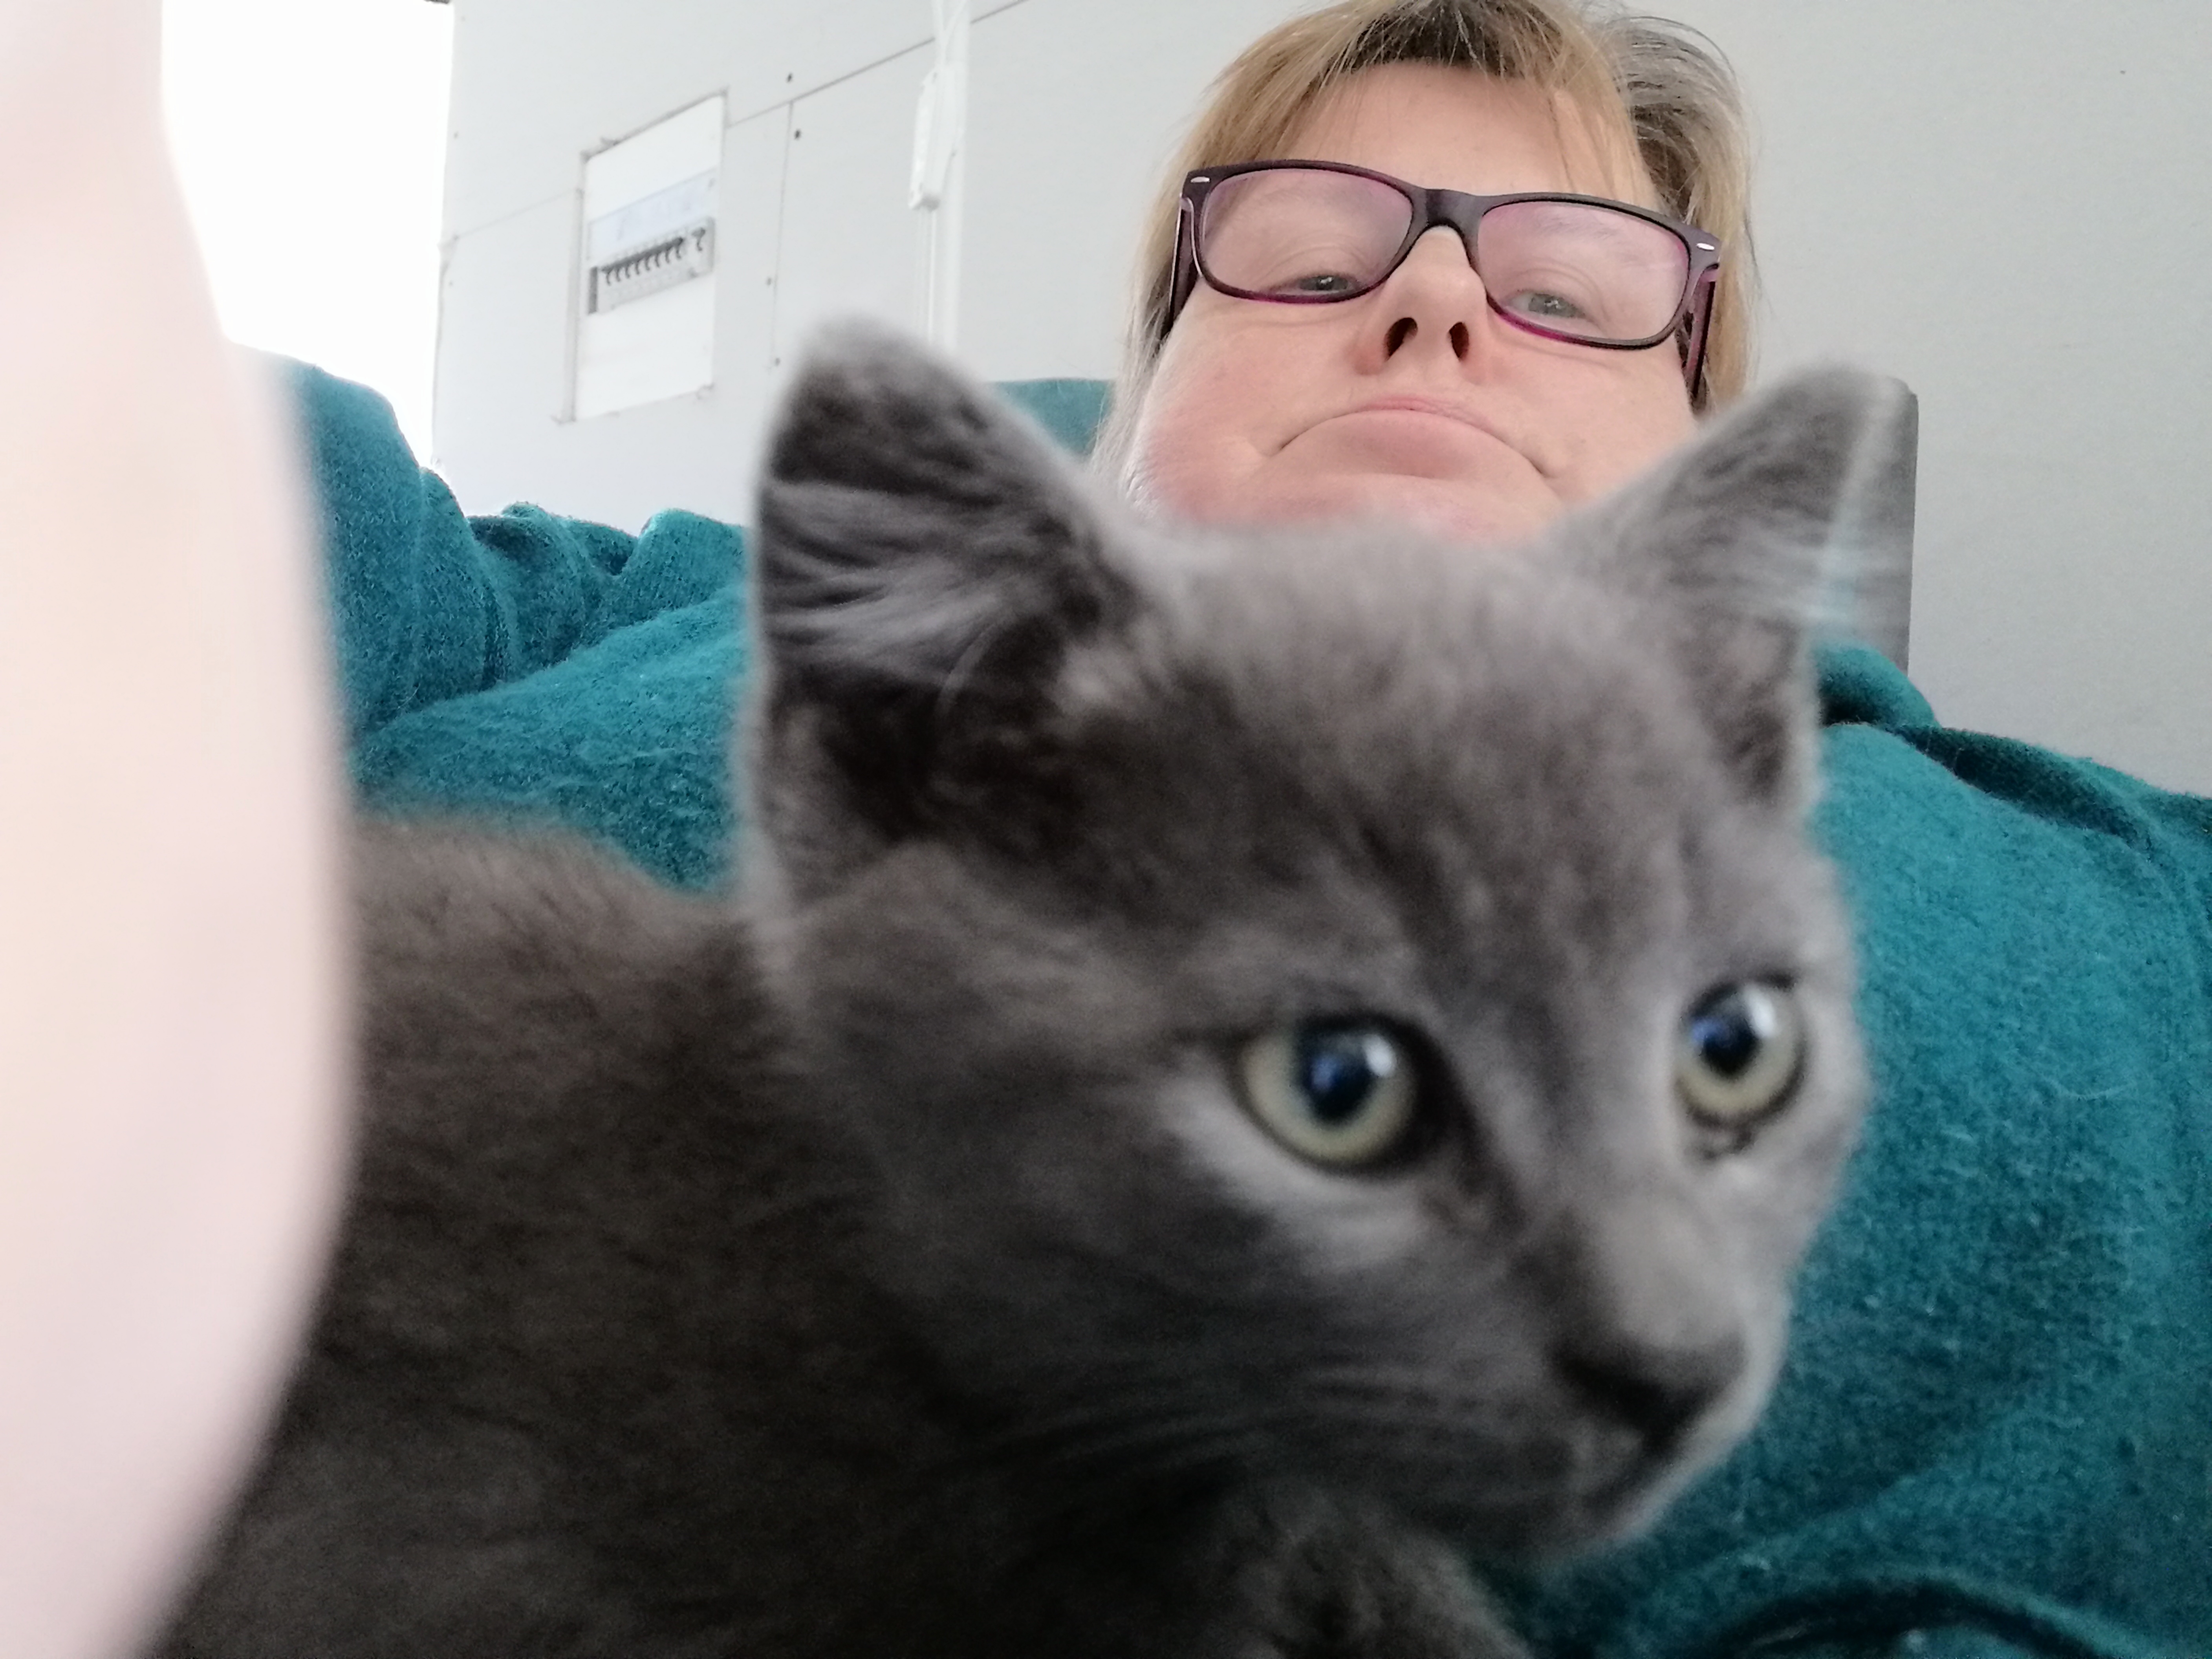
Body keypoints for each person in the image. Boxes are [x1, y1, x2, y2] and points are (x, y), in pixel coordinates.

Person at [6, 0, 2205, 1655]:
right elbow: (171, 496)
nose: (1441, 300)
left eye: (1572, 286)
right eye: (1311, 254)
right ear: (1139, 394)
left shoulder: (2111, 884)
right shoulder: (738, 626)